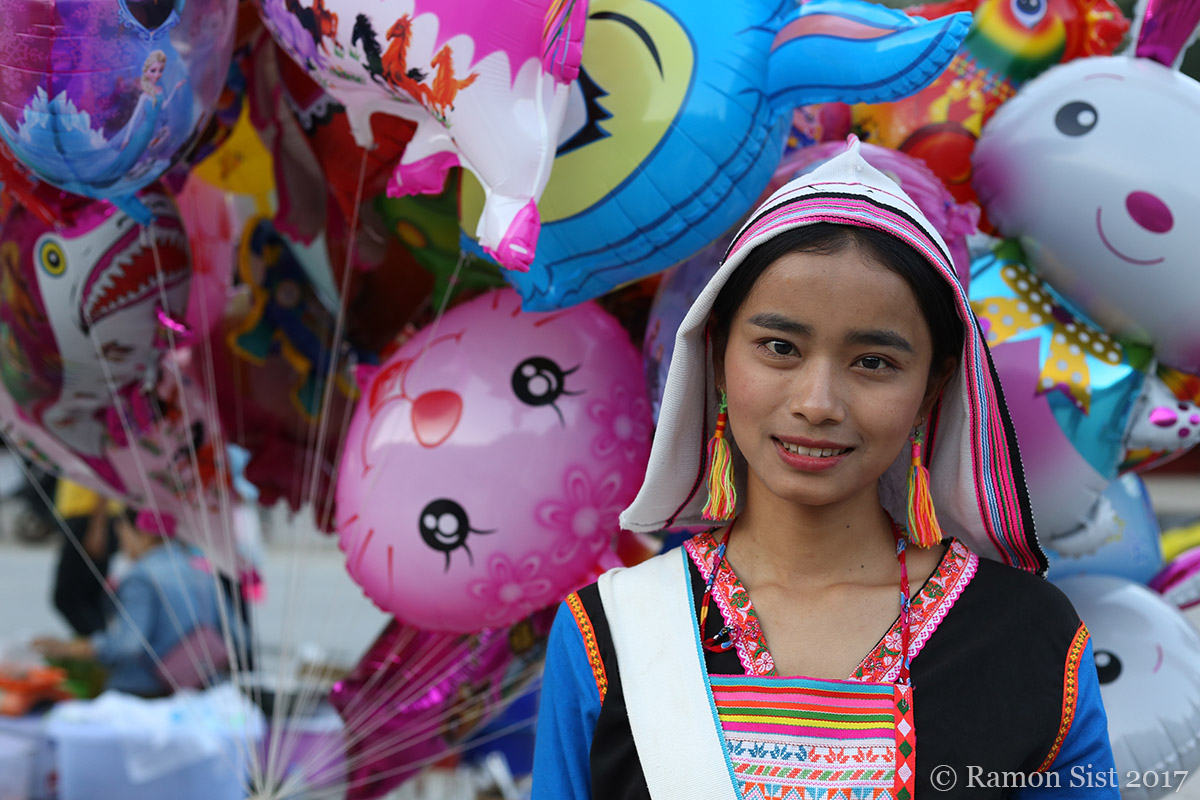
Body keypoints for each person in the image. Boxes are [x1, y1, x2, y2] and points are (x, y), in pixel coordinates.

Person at [531, 138, 1117, 799]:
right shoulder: (612, 633)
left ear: (933, 387)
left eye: (873, 362)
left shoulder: (1026, 639)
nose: (817, 403)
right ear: (718, 354)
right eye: (780, 347)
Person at [34, 509, 234, 697]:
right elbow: (232, 630)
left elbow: (128, 644)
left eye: (122, 535)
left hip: (148, 689)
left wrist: (69, 649)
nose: (121, 546)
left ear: (145, 535)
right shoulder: (200, 570)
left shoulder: (140, 577)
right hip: (202, 684)